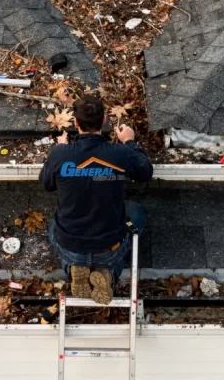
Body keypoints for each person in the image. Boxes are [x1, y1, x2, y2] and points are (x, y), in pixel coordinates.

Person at [40, 95, 153, 305]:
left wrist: (59, 150)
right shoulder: (120, 153)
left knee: (53, 227)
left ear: (75, 123)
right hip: (108, 248)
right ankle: (109, 275)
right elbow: (145, 171)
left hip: (71, 247)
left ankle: (72, 270)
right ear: (104, 122)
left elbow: (47, 184)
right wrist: (129, 141)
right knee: (136, 213)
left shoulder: (60, 154)